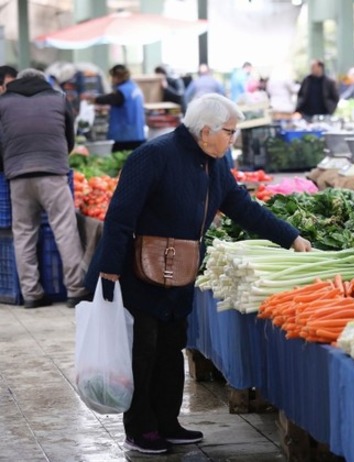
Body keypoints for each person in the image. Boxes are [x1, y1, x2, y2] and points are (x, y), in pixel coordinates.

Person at [84, 93, 310, 455]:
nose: (233, 140)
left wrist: (291, 237)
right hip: (140, 271)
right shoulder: (152, 156)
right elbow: (119, 216)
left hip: (182, 270)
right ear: (206, 131)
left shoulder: (214, 164)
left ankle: (168, 423)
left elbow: (242, 207)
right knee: (144, 350)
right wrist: (109, 271)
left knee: (172, 347)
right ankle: (141, 429)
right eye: (230, 133)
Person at [0, 68, 89, 308]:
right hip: (53, 173)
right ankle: (75, 290)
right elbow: (69, 138)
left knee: (24, 234)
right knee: (65, 230)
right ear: (43, 82)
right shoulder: (59, 99)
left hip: (18, 176)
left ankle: (31, 294)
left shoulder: (3, 102)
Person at [83, 64, 146, 152]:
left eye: (112, 77)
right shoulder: (134, 88)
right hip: (138, 134)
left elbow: (110, 99)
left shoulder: (123, 91)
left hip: (125, 136)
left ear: (117, 77)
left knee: (120, 162)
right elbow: (125, 106)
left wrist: (93, 99)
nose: (112, 80)